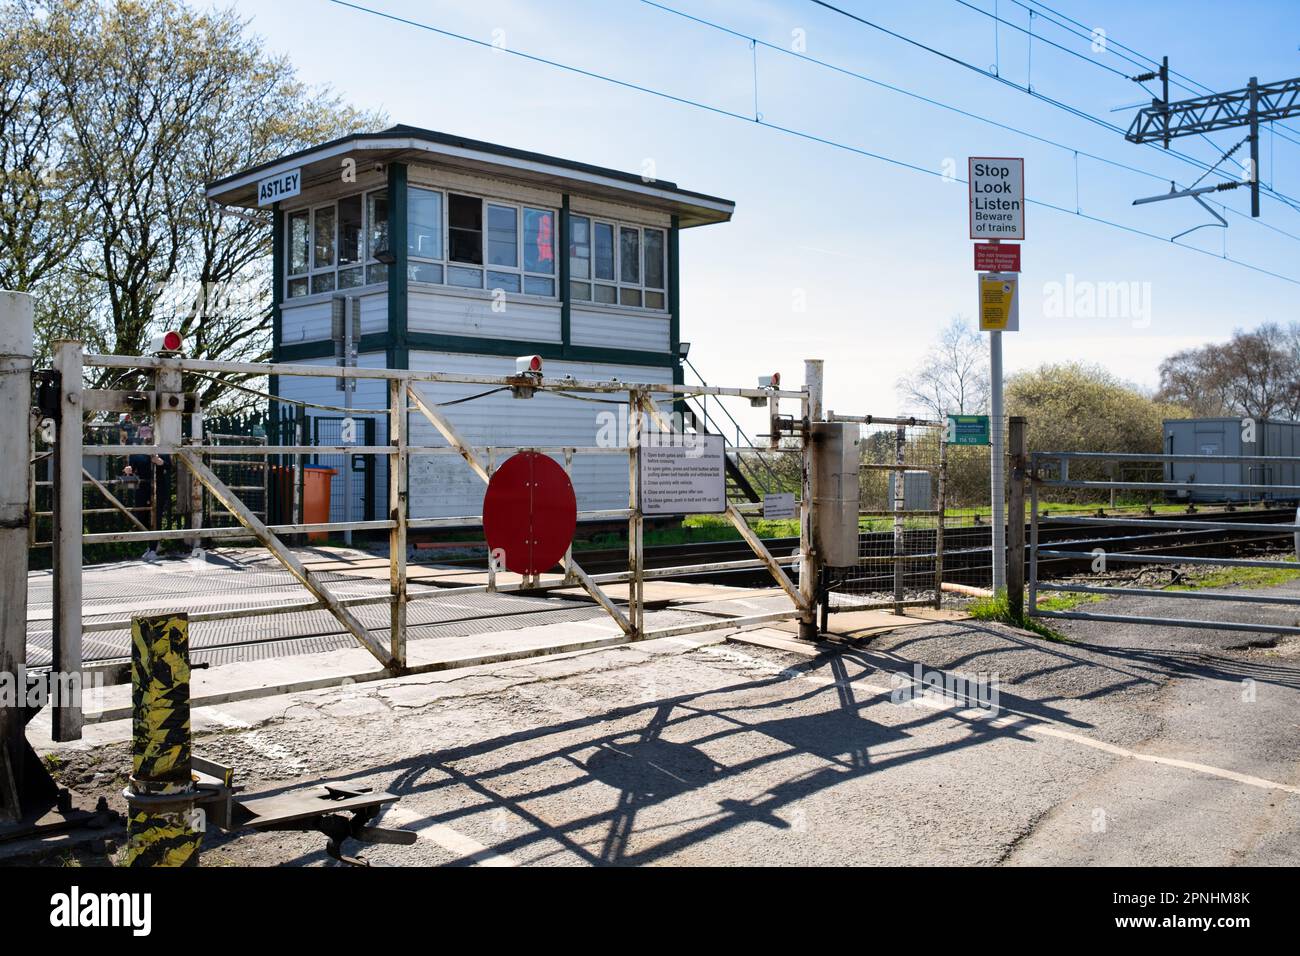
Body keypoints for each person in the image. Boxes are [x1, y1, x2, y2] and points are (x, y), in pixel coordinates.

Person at [121, 417, 171, 558]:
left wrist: (160, 462)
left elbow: (169, 466)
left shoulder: (161, 448)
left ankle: (153, 548)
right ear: (138, 433)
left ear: (152, 433)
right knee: (141, 516)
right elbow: (131, 467)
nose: (145, 433)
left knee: (156, 517)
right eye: (142, 431)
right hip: (142, 488)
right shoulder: (136, 450)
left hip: (158, 487)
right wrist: (128, 469)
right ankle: (152, 545)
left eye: (147, 431)